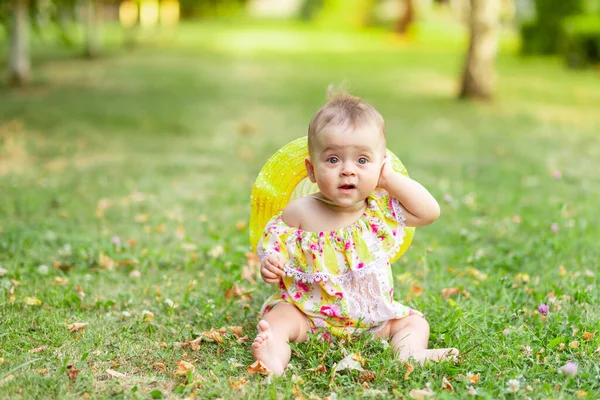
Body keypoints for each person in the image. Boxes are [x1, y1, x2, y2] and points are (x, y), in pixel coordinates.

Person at [251, 88, 458, 376]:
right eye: (333, 160)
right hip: (308, 315)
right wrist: (270, 266)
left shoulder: (379, 213)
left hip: (372, 319)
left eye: (362, 161)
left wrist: (390, 179)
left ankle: (410, 353)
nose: (348, 170)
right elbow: (273, 252)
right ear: (311, 170)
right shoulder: (297, 213)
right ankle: (272, 354)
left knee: (414, 322)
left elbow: (429, 212)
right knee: (279, 318)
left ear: (380, 164)